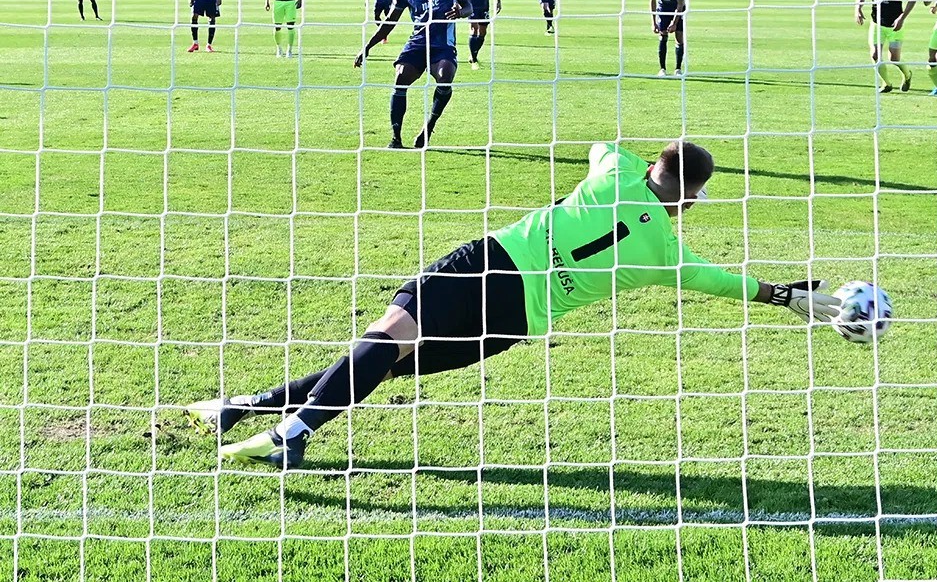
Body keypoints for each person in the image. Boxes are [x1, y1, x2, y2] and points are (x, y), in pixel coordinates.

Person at [186, 139, 844, 468]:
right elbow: (729, 284)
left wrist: (619, 171)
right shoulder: (670, 253)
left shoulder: (616, 172)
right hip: (516, 321)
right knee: (382, 357)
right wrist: (785, 296)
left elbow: (600, 147)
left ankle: (289, 434)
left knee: (385, 340)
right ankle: (237, 410)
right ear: (691, 200)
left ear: (652, 169)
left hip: (492, 263)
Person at [354, 0, 472, 149]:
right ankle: (396, 138)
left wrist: (460, 12)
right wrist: (366, 47)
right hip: (417, 44)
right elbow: (388, 24)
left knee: (445, 79)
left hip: (442, 45)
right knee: (400, 77)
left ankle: (429, 126)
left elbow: (468, 7)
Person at [855, 0, 915, 93]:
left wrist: (901, 18)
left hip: (895, 26)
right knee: (875, 55)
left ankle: (907, 74)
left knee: (894, 58)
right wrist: (857, 9)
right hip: (877, 24)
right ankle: (886, 83)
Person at [648, 0, 686, 76]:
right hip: (663, 9)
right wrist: (653, 22)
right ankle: (662, 69)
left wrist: (674, 23)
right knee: (663, 35)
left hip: (677, 10)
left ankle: (678, 69)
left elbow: (680, 5)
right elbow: (652, 2)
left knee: (679, 37)